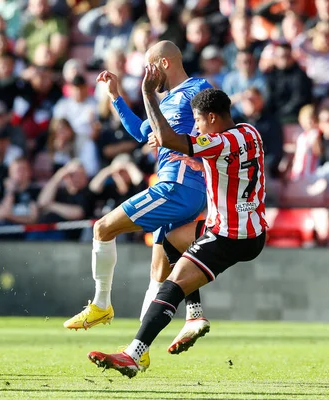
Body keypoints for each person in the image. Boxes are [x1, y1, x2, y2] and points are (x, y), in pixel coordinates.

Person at [88, 87, 267, 378]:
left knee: (172, 285)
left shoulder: (219, 143)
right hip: (254, 230)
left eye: (198, 120)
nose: (196, 126)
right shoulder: (250, 133)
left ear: (212, 117)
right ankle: (194, 316)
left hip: (229, 236)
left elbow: (172, 140)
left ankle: (133, 354)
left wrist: (148, 94)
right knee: (172, 242)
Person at [63, 41, 211, 370]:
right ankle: (139, 349)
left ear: (163, 64)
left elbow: (211, 123)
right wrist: (116, 96)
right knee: (159, 270)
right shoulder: (168, 100)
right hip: (180, 188)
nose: (146, 74)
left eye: (149, 66)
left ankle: (101, 304)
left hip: (178, 185)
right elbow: (142, 132)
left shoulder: (197, 88)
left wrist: (193, 145)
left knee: (103, 228)